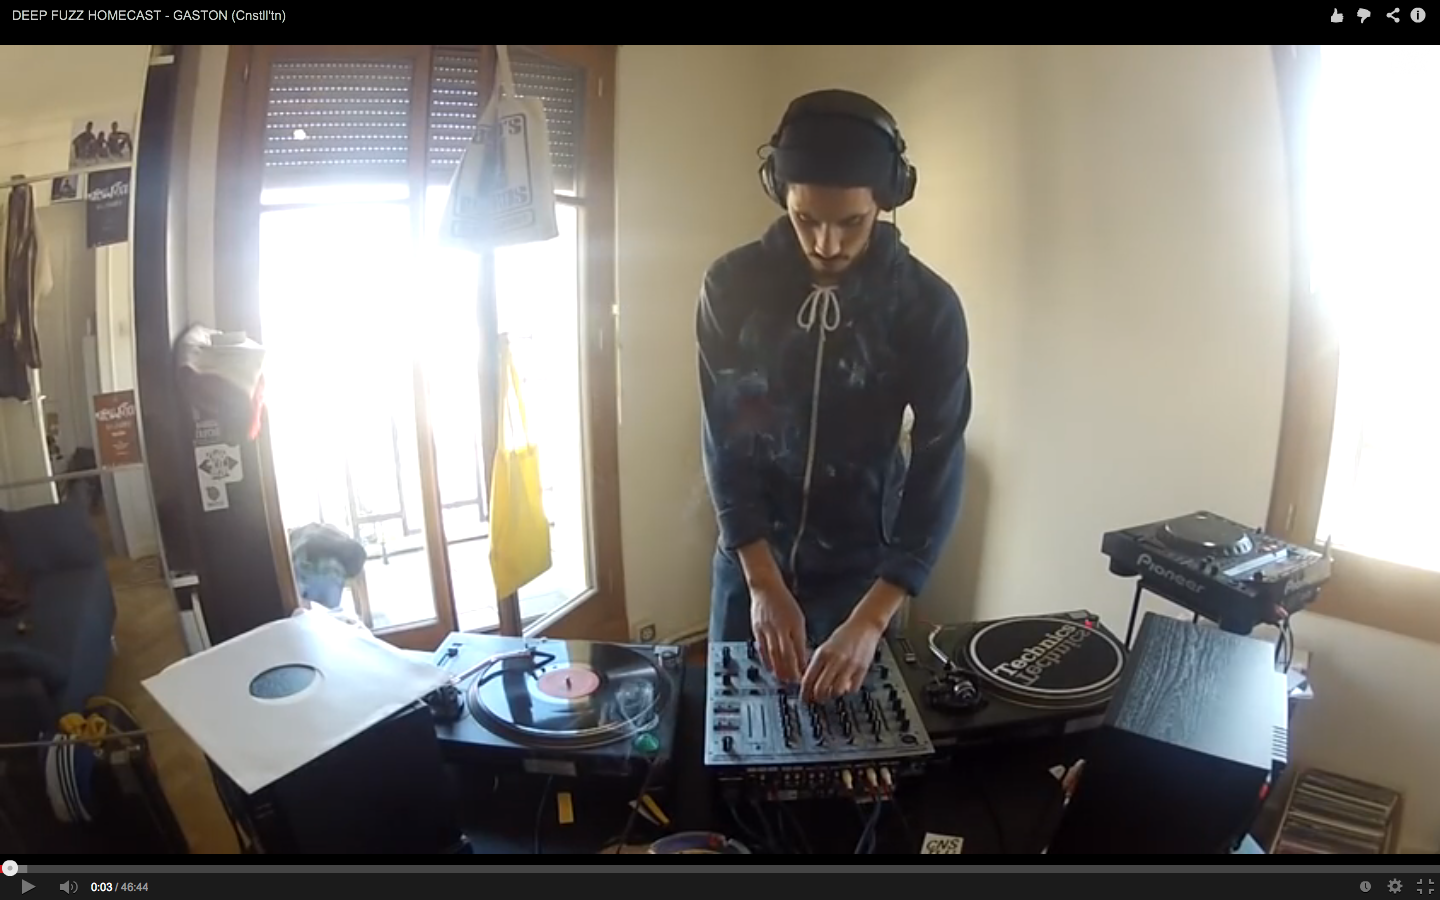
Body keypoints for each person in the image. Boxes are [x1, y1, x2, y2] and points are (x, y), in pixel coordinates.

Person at [698, 89, 972, 703]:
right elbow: (725, 436)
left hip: (863, 579)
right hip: (750, 563)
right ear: (780, 193)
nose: (826, 244)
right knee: (737, 733)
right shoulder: (731, 286)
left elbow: (939, 461)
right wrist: (762, 582)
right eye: (806, 219)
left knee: (856, 743)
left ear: (886, 200)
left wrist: (872, 618)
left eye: (851, 222)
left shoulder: (927, 308)